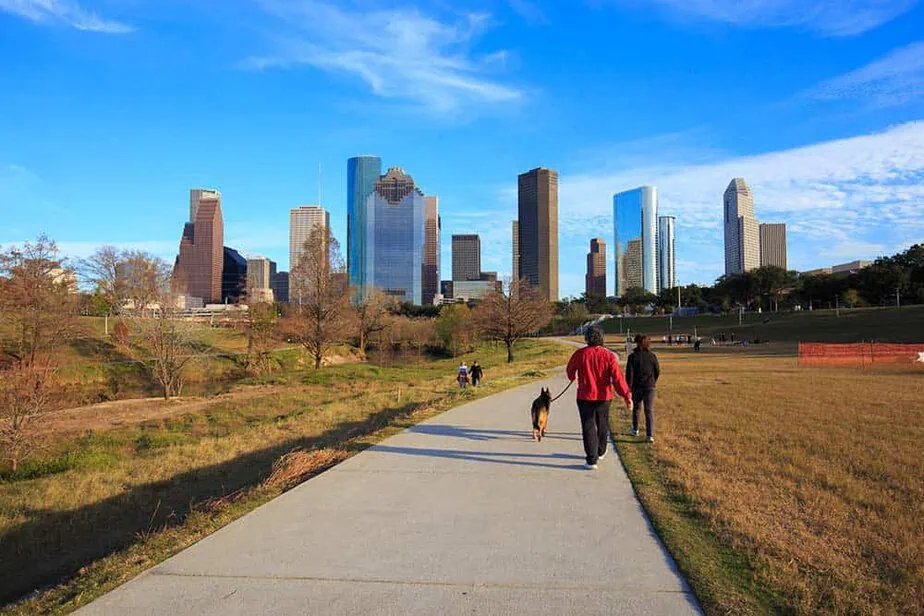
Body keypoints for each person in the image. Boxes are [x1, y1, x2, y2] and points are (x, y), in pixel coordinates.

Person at [566, 325, 632, 470]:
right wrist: (626, 395)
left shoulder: (580, 354)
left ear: (586, 338)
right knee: (602, 423)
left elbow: (570, 370)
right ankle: (601, 451)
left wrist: (572, 376)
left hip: (585, 396)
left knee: (588, 425)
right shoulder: (609, 356)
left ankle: (591, 459)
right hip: (604, 396)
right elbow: (618, 378)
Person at [626, 335, 660, 443]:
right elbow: (657, 370)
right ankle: (650, 435)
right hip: (649, 386)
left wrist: (629, 388)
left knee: (636, 408)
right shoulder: (652, 356)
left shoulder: (632, 357)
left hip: (636, 386)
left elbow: (629, 374)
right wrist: (653, 381)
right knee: (649, 410)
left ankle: (635, 429)